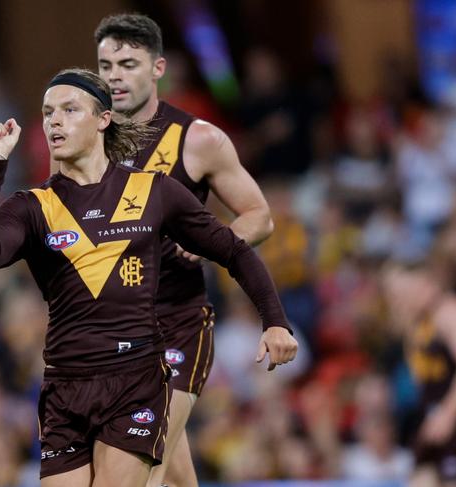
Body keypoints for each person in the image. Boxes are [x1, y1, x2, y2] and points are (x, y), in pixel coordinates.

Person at [0, 68, 297, 487]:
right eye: (48, 113)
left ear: (103, 119)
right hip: (64, 388)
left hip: (136, 381)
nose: (55, 121)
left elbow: (233, 249)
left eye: (69, 110)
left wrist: (275, 321)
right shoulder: (33, 206)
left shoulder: (154, 191)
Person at [91, 14, 285, 487]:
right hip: (110, 329)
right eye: (105, 64)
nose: (114, 75)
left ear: (158, 69)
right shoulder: (85, 139)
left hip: (176, 323)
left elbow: (260, 216)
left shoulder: (197, 139)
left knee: (141, 467)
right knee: (172, 473)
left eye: (128, 63)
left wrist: (212, 242)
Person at [382, 261, 456, 487]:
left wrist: (449, 413)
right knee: (420, 480)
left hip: (455, 419)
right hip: (435, 418)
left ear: (428, 285)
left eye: (408, 292)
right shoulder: (420, 322)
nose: (402, 300)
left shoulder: (450, 314)